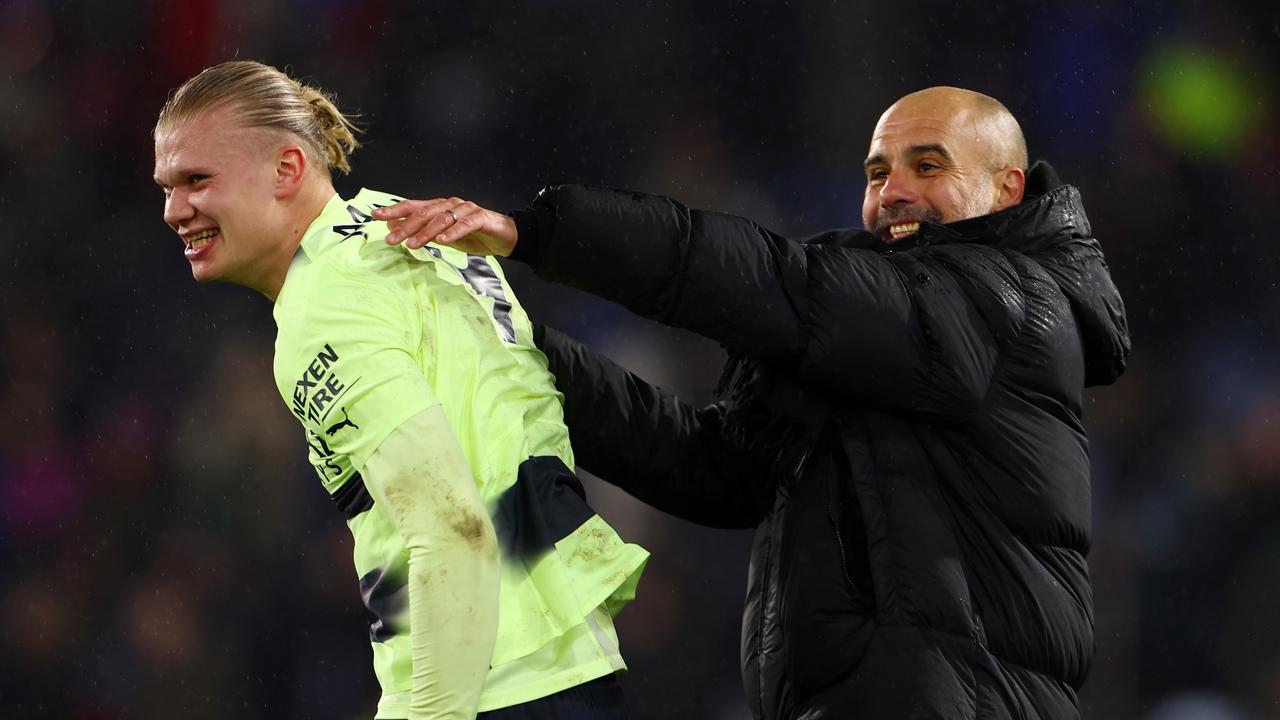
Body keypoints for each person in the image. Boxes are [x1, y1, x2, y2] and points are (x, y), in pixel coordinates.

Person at [373, 86, 1131, 718]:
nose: (892, 190)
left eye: (926, 165)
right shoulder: (879, 334)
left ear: (1008, 189)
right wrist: (506, 346)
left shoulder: (1012, 299)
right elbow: (712, 466)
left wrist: (538, 232)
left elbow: (782, 288)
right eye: (875, 172)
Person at [152, 60, 648, 720]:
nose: (172, 210)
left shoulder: (324, 302)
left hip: (491, 685)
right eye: (166, 187)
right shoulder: (418, 227)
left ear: (288, 169)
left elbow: (453, 528)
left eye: (197, 181)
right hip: (565, 658)